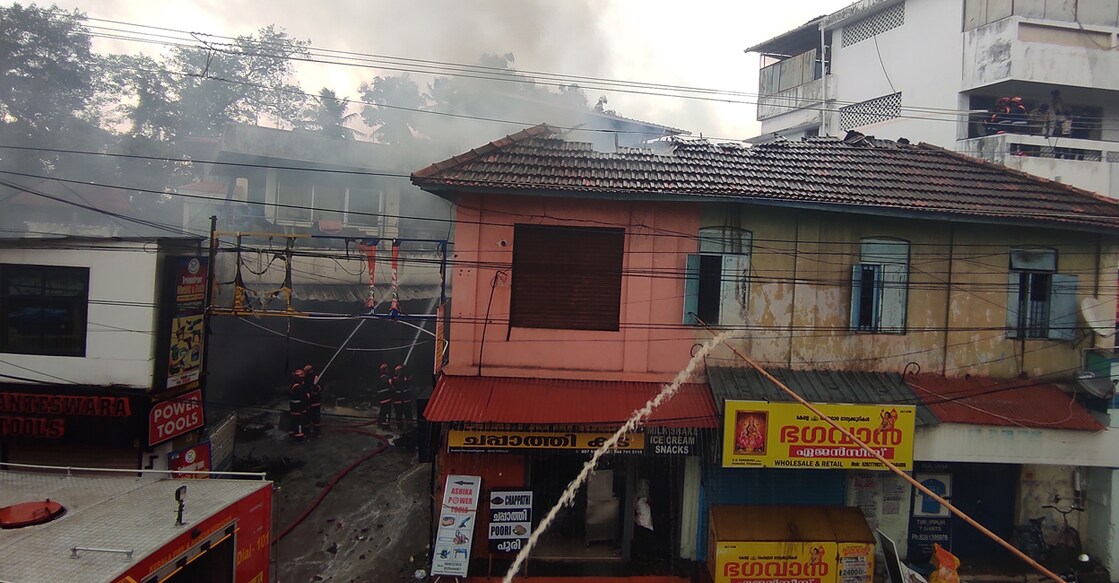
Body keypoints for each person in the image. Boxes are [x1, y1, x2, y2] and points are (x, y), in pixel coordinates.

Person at [288, 367, 309, 441]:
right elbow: (303, 397)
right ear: (298, 378)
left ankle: (292, 434)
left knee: (293, 421)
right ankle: (299, 438)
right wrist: (309, 395)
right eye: (302, 378)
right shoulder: (298, 387)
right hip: (298, 407)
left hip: (293, 407)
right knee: (299, 422)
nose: (303, 380)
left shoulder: (292, 385)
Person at [391, 364, 414, 430]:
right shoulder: (394, 379)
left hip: (405, 400)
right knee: (399, 416)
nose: (396, 373)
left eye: (397, 371)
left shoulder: (406, 377)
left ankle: (410, 428)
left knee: (408, 415)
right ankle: (400, 428)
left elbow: (410, 380)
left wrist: (404, 369)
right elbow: (396, 383)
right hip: (398, 401)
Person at [304, 364, 323, 437]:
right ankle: (307, 432)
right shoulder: (305, 378)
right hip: (308, 401)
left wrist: (315, 388)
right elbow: (303, 388)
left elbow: (321, 386)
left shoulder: (316, 378)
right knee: (307, 418)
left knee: (316, 418)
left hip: (315, 401)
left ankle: (317, 432)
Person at [375, 363, 394, 428]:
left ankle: (380, 424)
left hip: (382, 399)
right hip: (387, 399)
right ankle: (386, 426)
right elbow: (390, 387)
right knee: (387, 413)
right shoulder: (386, 379)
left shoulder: (380, 379)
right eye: (386, 369)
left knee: (383, 412)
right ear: (383, 370)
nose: (388, 370)